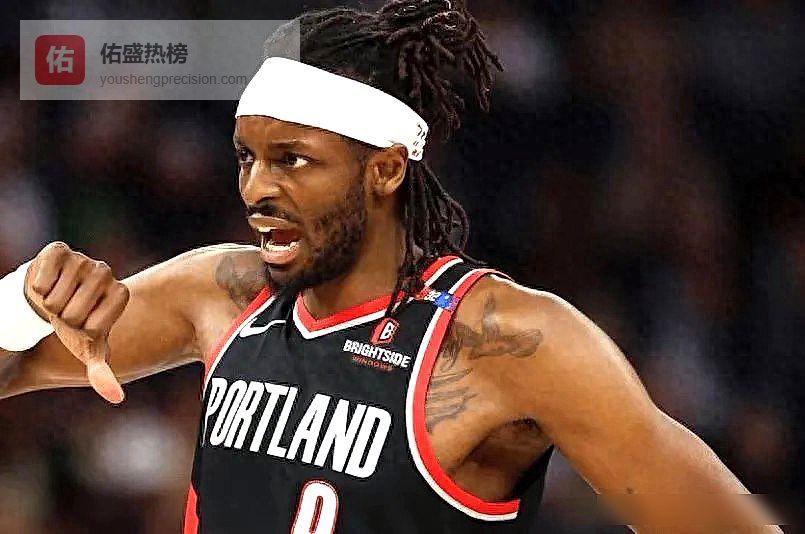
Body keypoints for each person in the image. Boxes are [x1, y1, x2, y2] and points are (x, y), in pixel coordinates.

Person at [0, 1, 781, 532]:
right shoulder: (220, 292)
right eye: (245, 158)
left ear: (382, 169)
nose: (256, 189)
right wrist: (23, 304)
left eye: (291, 160)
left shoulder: (509, 340)